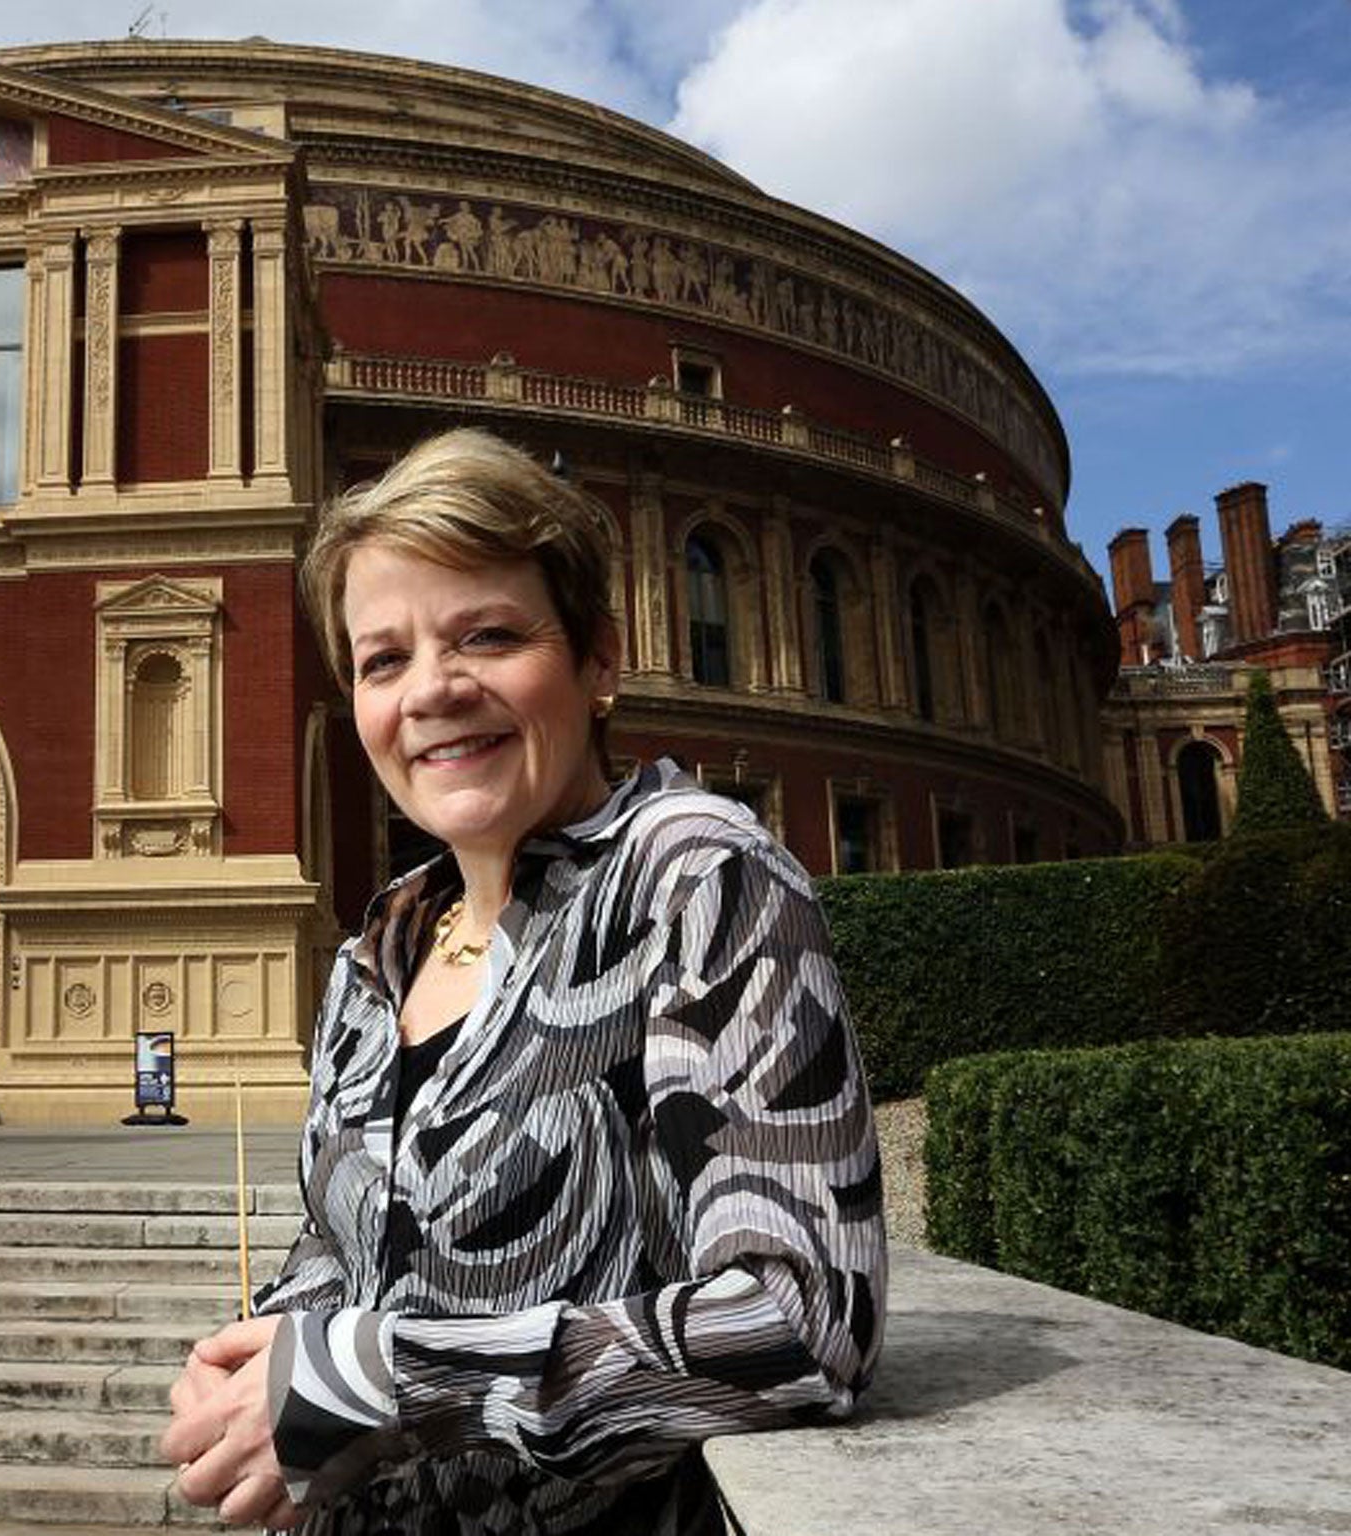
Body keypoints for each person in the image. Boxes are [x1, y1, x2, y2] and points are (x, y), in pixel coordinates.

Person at [161, 429, 886, 1534]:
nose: (432, 692)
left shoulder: (693, 876)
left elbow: (801, 1321)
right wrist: (260, 1357)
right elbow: (345, 1241)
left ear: (596, 662)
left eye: (487, 635)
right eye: (381, 659)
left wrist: (378, 1378)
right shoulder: (381, 947)